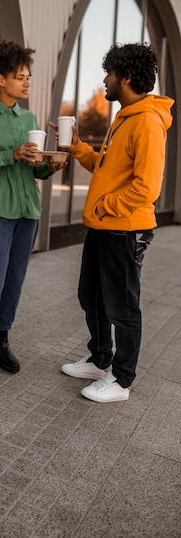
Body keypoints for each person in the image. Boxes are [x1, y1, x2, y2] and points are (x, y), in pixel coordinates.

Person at [59, 42, 174, 403]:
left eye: (108, 74)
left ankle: (121, 380)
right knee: (90, 296)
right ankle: (99, 359)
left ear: (124, 77)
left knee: (122, 307)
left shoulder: (148, 122)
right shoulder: (124, 118)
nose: (104, 81)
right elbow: (107, 169)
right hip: (105, 226)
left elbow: (147, 187)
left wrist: (106, 204)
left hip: (125, 229)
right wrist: (78, 148)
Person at [0, 40, 67, 387]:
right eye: (19, 76)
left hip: (28, 209)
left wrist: (50, 165)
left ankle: (1, 341)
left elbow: (34, 170)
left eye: (28, 76)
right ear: (0, 79)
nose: (26, 82)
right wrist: (11, 154)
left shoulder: (29, 117)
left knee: (15, 280)